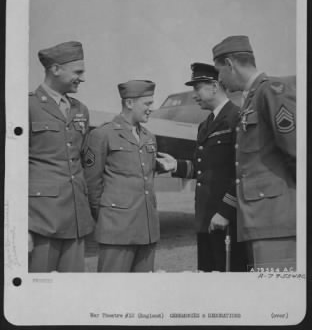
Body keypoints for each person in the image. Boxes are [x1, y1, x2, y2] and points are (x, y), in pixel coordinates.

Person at [212, 35, 296, 271]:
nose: (219, 79)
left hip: (275, 220)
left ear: (230, 64)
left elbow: (297, 154)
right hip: (260, 220)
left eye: (219, 71)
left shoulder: (271, 91)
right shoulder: (252, 98)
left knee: (276, 298)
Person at [157, 63, 247, 272]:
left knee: (229, 283)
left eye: (197, 88)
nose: (194, 94)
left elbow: (244, 171)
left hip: (227, 221)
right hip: (206, 219)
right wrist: (175, 165)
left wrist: (225, 211)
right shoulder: (205, 124)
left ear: (214, 87)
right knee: (208, 278)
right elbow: (202, 168)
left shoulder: (236, 117)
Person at [28, 41, 94, 272]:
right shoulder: (27, 106)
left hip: (75, 219)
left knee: (73, 293)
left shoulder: (80, 110)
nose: (82, 78)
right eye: (78, 72)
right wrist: (18, 225)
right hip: (40, 221)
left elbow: (84, 160)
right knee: (38, 293)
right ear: (55, 69)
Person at [83, 80, 160, 272]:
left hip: (147, 229)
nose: (152, 108)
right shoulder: (102, 134)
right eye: (147, 104)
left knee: (142, 295)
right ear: (129, 103)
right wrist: (108, 218)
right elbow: (92, 184)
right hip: (116, 230)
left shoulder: (149, 137)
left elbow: (147, 178)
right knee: (113, 293)